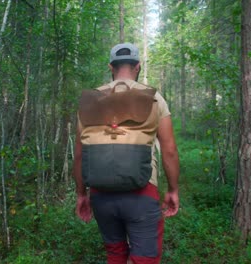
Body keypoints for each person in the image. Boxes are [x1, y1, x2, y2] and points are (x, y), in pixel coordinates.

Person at [73, 43, 180, 264]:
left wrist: (81, 194)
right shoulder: (154, 98)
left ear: (111, 67)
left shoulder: (90, 101)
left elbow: (80, 154)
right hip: (142, 191)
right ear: (138, 66)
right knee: (145, 259)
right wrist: (173, 190)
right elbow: (169, 150)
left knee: (115, 254)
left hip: (101, 195)